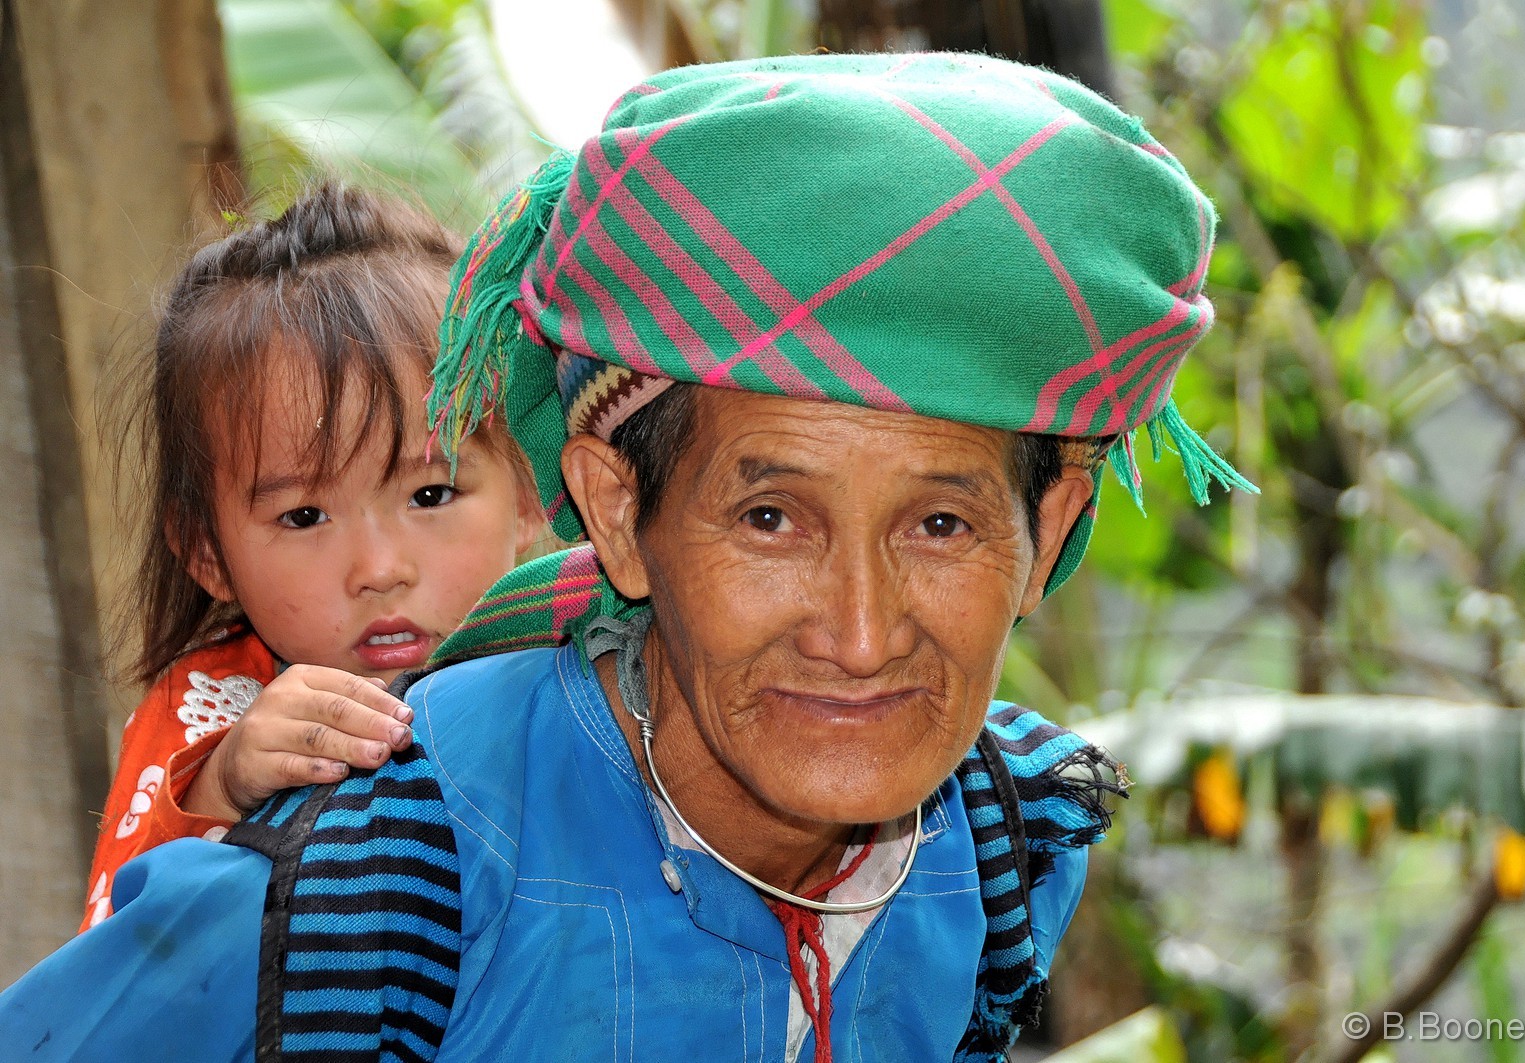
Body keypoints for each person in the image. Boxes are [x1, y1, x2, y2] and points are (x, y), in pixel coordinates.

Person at [1, 53, 1252, 1062]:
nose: (860, 635)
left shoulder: (1012, 837)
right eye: (769, 518)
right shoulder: (369, 875)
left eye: (940, 524)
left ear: (1050, 529)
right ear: (611, 509)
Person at [80, 183, 541, 929]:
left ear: (527, 492)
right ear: (208, 551)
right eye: (304, 515)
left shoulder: (593, 661)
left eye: (430, 495)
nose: (380, 567)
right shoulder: (208, 718)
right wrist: (220, 793)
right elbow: (123, 979)